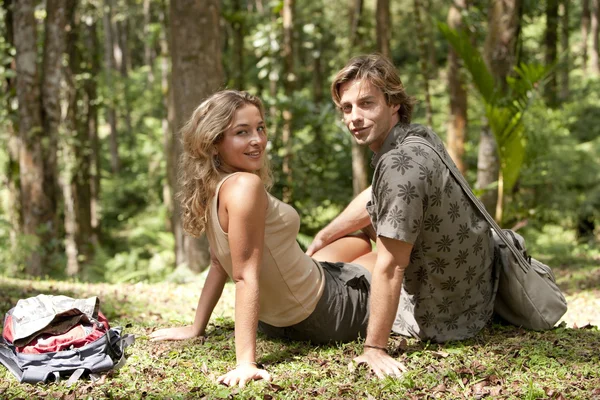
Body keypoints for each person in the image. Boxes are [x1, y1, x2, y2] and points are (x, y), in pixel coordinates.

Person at [150, 90, 376, 388]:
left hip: (276, 319)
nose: (257, 139)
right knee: (381, 248)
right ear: (214, 143)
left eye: (260, 128)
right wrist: (246, 362)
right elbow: (244, 276)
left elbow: (219, 264)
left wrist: (196, 327)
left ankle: (342, 254)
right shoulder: (245, 186)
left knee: (360, 241)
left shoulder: (213, 186)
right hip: (325, 313)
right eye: (241, 132)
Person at [306, 54, 498, 378]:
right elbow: (375, 195)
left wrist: (374, 349)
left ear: (394, 103)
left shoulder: (399, 166)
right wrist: (325, 234)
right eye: (347, 108)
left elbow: (392, 266)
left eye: (366, 103)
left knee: (320, 288)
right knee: (343, 241)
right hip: (475, 297)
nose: (354, 117)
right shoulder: (418, 138)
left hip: (441, 316)